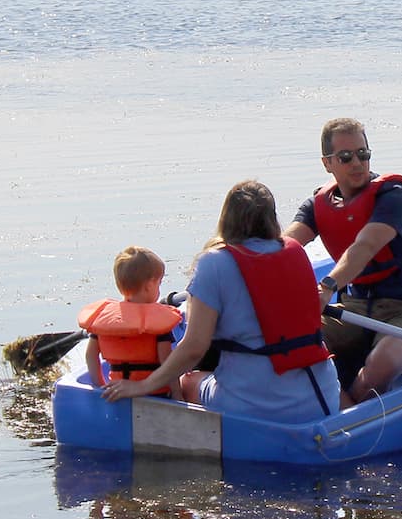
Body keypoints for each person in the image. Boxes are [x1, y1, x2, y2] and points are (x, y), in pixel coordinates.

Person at [103, 180, 342, 419]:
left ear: (226, 219)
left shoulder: (213, 263)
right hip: (321, 398)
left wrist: (144, 385)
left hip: (254, 407)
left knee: (189, 380)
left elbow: (193, 349)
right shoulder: (294, 250)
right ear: (272, 219)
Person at [284, 118, 402, 407]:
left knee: (383, 361)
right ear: (327, 163)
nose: (357, 163)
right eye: (346, 157)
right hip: (356, 309)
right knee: (292, 338)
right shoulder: (317, 205)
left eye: (363, 154)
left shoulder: (394, 197)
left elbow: (366, 246)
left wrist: (327, 286)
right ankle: (339, 406)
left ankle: (351, 418)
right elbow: (285, 245)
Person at [78, 245, 183, 393]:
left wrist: (100, 386)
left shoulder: (105, 320)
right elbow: (167, 364)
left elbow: (90, 355)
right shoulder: (157, 325)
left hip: (117, 391)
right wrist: (178, 394)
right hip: (155, 394)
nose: (159, 289)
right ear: (148, 286)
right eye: (159, 284)